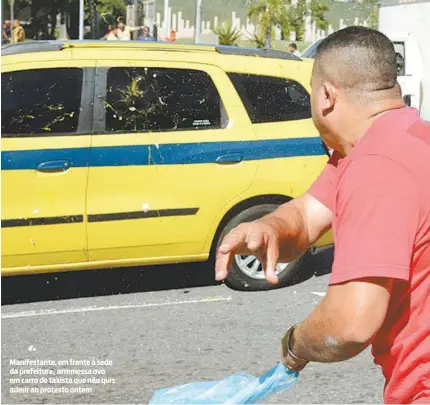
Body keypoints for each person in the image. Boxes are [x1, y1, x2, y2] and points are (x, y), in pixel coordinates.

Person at [216, 26, 430, 405]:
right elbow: (307, 214)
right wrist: (268, 228)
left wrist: (295, 344)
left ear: (327, 95)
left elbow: (351, 323)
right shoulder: (398, 140)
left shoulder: (377, 165)